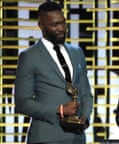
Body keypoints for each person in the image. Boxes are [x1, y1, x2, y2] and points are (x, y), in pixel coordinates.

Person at [14, 1, 93, 144]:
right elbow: (22, 103)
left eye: (63, 23)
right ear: (41, 25)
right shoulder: (29, 57)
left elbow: (86, 93)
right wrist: (59, 110)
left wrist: (85, 117)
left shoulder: (77, 53)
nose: (61, 28)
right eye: (55, 25)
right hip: (47, 138)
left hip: (77, 138)